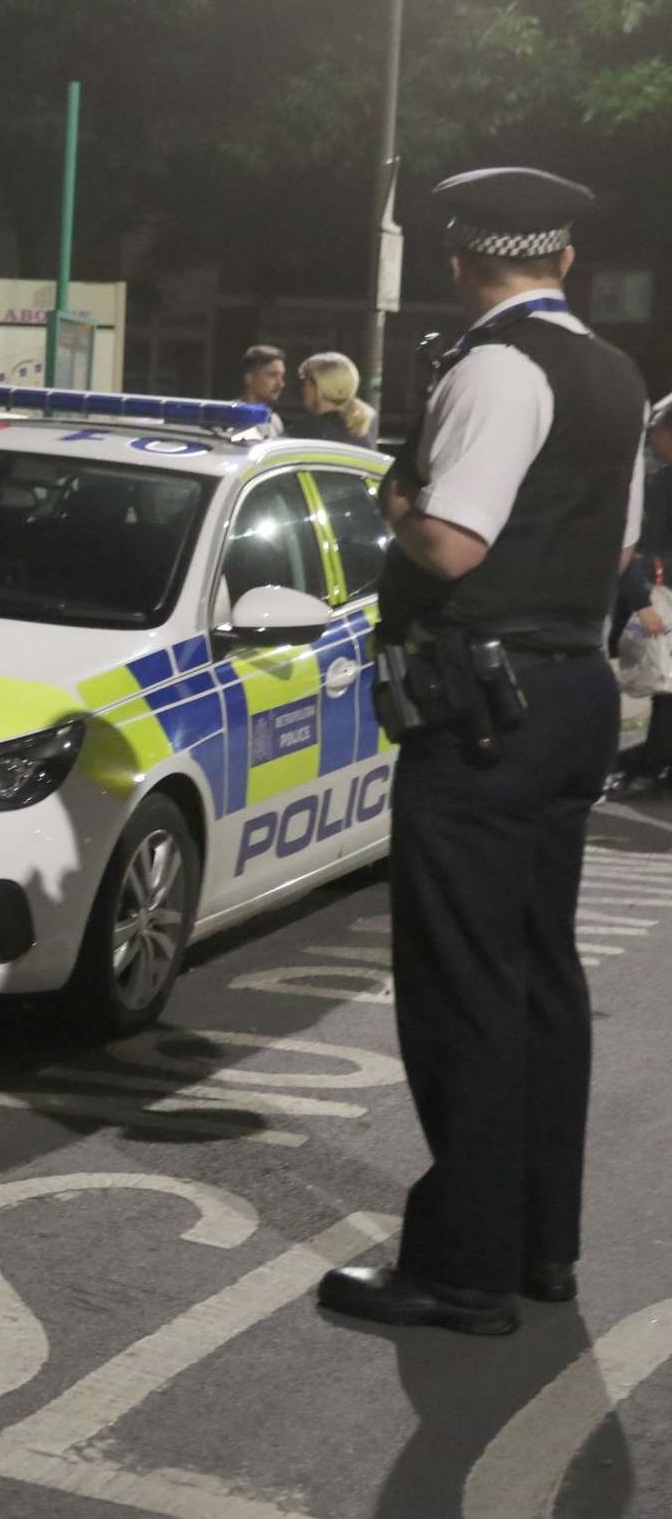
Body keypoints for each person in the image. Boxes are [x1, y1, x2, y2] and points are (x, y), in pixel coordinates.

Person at [318, 167, 647, 1336]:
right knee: (539, 982)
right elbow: (615, 552)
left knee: (463, 991)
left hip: (483, 708)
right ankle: (539, 1248)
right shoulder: (613, 373)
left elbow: (451, 543)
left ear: (459, 265)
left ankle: (461, 1268)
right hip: (567, 695)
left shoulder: (496, 369)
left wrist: (396, 502)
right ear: (561, 260)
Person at [606, 402, 672, 793]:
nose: (652, 444)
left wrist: (642, 601)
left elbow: (636, 549)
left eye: (656, 435)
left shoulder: (662, 485)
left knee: (666, 684)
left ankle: (652, 764)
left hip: (663, 596)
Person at [281, 351, 379, 447]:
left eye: (304, 383)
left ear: (317, 386)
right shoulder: (360, 434)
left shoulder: (305, 432)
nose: (301, 389)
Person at [236, 344, 287, 437]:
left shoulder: (274, 421)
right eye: (273, 375)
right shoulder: (230, 418)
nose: (281, 384)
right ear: (249, 378)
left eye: (282, 376)